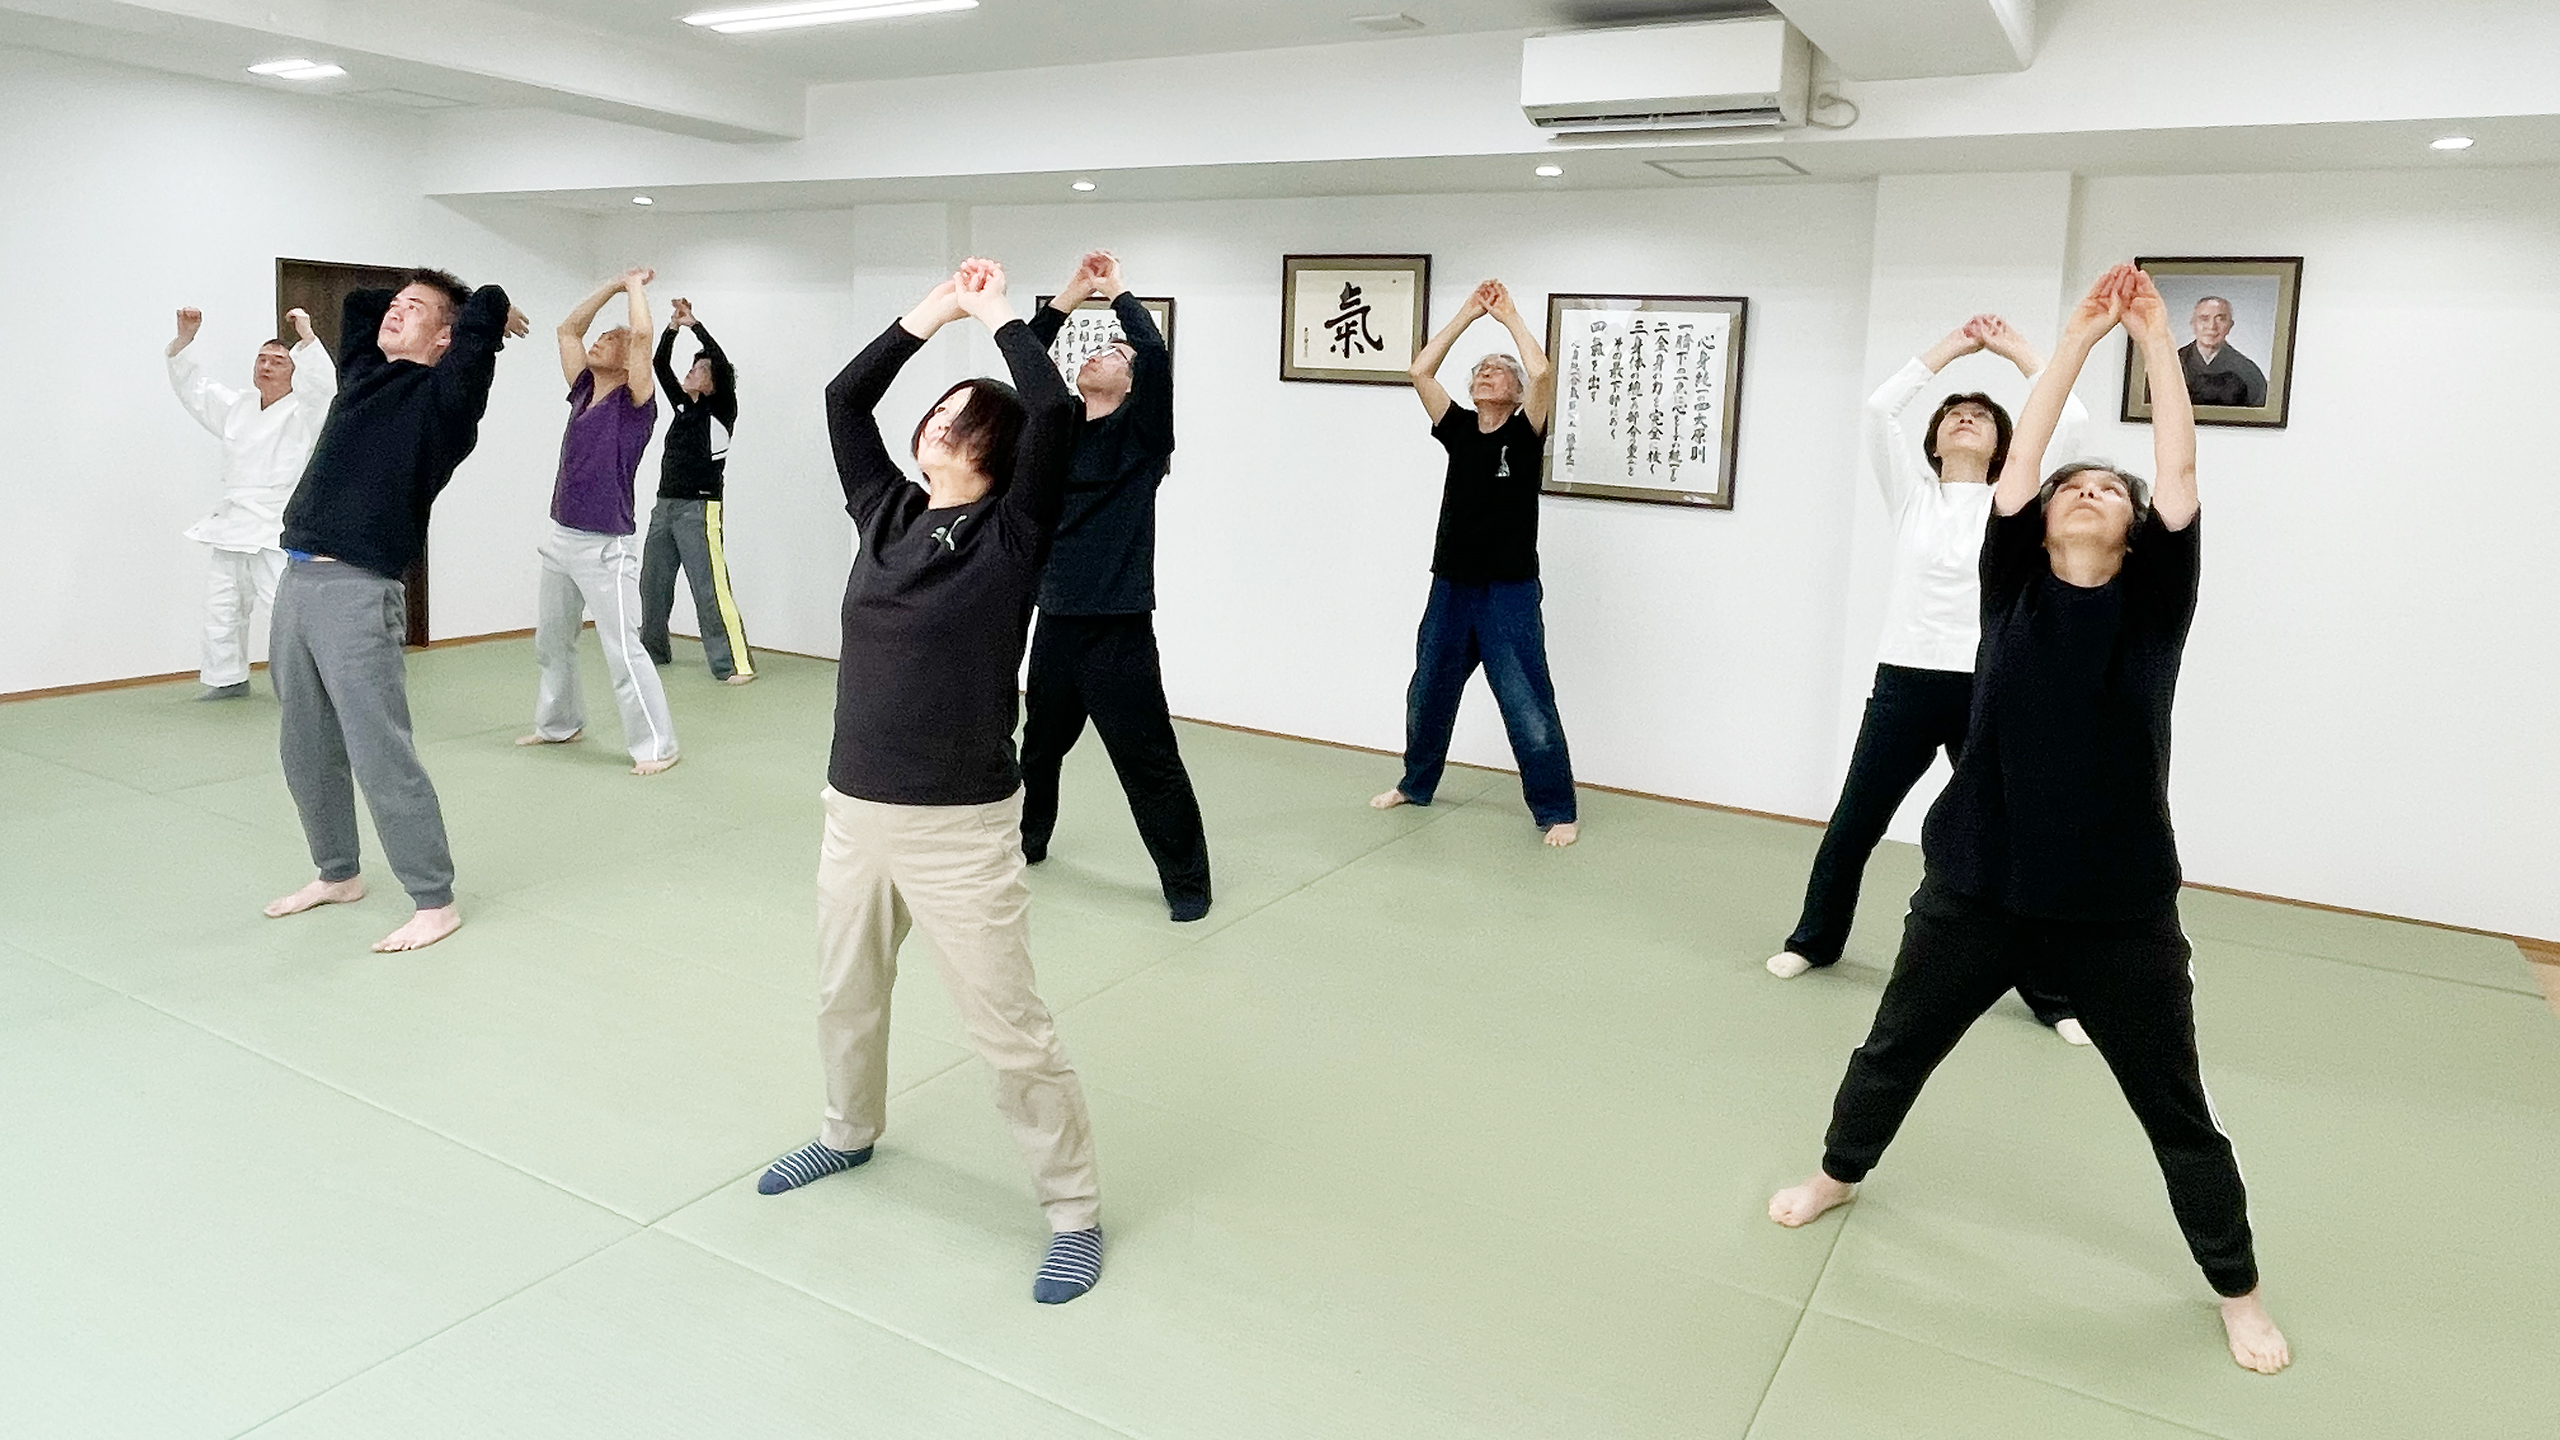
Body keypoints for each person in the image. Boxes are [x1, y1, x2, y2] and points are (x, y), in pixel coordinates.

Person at [1768, 264, 2289, 1376]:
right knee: (1892, 1048)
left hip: (2117, 910)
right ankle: (1838, 1172)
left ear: (2136, 529)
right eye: (2069, 489)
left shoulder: (2155, 611)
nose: (2088, 491)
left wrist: (2150, 337)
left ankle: (2235, 1288)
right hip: (1974, 885)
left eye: (2108, 490)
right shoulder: (2011, 587)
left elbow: (2180, 467)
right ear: (2038, 518)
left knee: (2177, 1110)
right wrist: (2064, 341)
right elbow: (2020, 459)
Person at [756, 259, 1104, 1306]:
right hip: (853, 808)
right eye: (938, 408)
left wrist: (995, 316)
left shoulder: (1012, 534)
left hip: (959, 827)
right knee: (844, 994)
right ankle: (846, 1131)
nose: (936, 419)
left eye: (958, 412)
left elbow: (1049, 406)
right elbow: (843, 397)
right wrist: (931, 314)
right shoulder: (884, 514)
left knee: (1009, 1030)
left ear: (992, 450)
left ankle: (1074, 1211)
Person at [1767, 312, 2091, 1046]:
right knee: (1856, 823)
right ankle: (1814, 942)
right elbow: (1882, 407)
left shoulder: (2020, 501)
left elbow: (2068, 417)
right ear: (1934, 440)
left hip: (1990, 689)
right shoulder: (1911, 496)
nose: (1965, 420)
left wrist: (2013, 351)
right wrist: (1950, 350)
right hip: (1906, 684)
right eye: (1953, 416)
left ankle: (2047, 991)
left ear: (2007, 442)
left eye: (1981, 417)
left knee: (2013, 839)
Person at [262, 269, 530, 953]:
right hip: (297, 580)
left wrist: (487, 317)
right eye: (398, 303)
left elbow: (485, 305)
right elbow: (357, 302)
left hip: (358, 591)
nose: (393, 313)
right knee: (304, 745)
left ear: (446, 337)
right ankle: (338, 873)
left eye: (414, 310)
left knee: (379, 749)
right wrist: (412, 298)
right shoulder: (361, 375)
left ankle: (434, 900)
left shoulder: (447, 398)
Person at [1017, 250, 1212, 921]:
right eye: (1097, 348)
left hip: (1119, 625)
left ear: (1131, 383)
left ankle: (1189, 885)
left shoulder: (1143, 435)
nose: (1100, 354)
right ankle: (1027, 839)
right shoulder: (1058, 425)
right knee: (1038, 747)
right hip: (1056, 618)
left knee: (1147, 760)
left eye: (1115, 353)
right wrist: (1070, 297)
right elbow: (1023, 363)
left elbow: (1155, 359)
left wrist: (1120, 294)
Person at [1369, 279, 1579, 847]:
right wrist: (1466, 313)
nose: (1487, 373)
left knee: (1525, 698)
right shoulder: (1458, 428)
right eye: (1480, 369)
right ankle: (1416, 784)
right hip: (1451, 585)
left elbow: (1542, 374)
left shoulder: (1525, 431)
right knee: (1429, 688)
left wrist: (1509, 316)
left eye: (1497, 370)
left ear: (1513, 391)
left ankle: (1557, 809)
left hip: (1508, 589)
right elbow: (1420, 371)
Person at [516, 269, 680, 776]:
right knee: (552, 640)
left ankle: (657, 745)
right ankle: (559, 723)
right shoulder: (583, 388)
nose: (601, 339)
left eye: (613, 339)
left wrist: (634, 289)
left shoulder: (635, 405)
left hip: (605, 546)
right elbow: (567, 329)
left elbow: (644, 337)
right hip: (560, 536)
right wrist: (610, 286)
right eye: (604, 335)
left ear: (631, 359)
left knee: (624, 649)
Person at [165, 305, 336, 699]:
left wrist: (307, 340)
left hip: (277, 525)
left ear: (294, 370)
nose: (267, 366)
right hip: (231, 523)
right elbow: (195, 390)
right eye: (261, 359)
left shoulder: (305, 412)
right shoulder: (237, 406)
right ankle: (225, 679)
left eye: (278, 360)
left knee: (285, 612)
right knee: (221, 609)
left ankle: (308, 685)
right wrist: (184, 341)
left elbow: (322, 390)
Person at [638, 297, 754, 685]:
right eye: (690, 366)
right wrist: (672, 329)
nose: (690, 372)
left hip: (699, 510)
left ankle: (733, 664)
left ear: (714, 381)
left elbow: (719, 360)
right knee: (652, 584)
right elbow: (659, 365)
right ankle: (653, 650)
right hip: (664, 507)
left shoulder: (721, 408)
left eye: (698, 368)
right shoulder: (683, 408)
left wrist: (695, 325)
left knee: (709, 589)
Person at [2174, 295, 2266, 407]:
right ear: (2193, 324)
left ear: (2230, 326)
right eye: (2204, 319)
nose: (2212, 326)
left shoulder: (2247, 371)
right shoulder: (2171, 364)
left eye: (2220, 319)